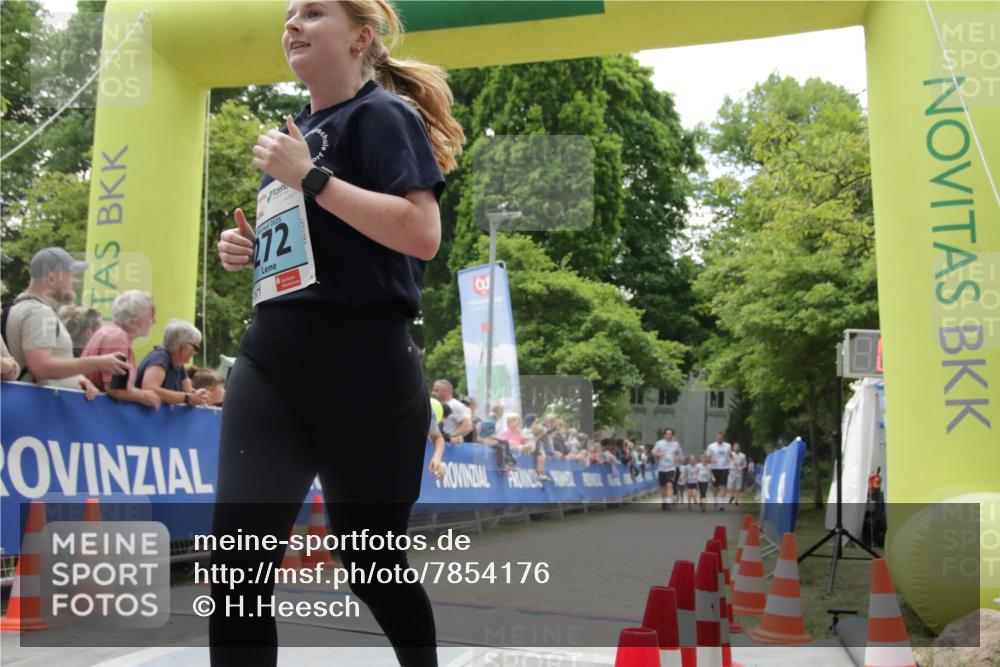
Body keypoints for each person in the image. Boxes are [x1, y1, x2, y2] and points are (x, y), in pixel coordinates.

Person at [211, 1, 463, 664]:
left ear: (360, 37)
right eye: (288, 14)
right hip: (272, 359)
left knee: (370, 561)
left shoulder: (384, 115)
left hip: (364, 365)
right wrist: (251, 251)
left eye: (314, 11)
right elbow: (311, 251)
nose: (292, 24)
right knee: (236, 566)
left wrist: (310, 176)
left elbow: (421, 234)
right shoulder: (292, 133)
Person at [5, 247, 127, 397]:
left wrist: (75, 377)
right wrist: (97, 363)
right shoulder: (38, 312)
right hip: (37, 406)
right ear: (51, 278)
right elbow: (41, 367)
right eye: (71, 275)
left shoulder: (20, 307)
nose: (75, 280)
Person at [81, 290, 161, 409]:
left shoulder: (111, 333)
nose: (154, 321)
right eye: (151, 316)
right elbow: (116, 389)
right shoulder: (117, 338)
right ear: (133, 322)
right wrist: (145, 396)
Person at [135, 319, 210, 407]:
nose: (195, 352)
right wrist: (188, 398)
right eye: (196, 347)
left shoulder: (179, 365)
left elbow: (189, 392)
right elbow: (150, 389)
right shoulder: (160, 356)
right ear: (184, 346)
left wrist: (198, 396)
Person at [652, 428, 684, 511]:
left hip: (671, 468)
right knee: (662, 487)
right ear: (664, 435)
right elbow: (653, 452)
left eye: (670, 434)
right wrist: (659, 454)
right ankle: (664, 501)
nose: (668, 435)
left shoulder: (676, 444)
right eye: (667, 434)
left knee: (669, 484)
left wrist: (678, 458)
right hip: (661, 468)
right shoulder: (659, 443)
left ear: (672, 435)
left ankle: (669, 502)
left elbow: (681, 455)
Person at [432, 379, 472, 444]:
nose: (433, 393)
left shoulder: (455, 405)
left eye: (436, 390)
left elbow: (468, 426)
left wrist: (449, 438)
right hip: (438, 445)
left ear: (445, 391)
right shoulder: (436, 405)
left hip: (449, 446)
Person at [705, 431, 732, 510]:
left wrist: (733, 462)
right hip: (714, 468)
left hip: (724, 468)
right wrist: (711, 461)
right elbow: (707, 458)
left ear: (723, 438)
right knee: (715, 487)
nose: (719, 439)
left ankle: (721, 504)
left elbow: (730, 455)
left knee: (723, 486)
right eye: (718, 438)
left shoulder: (728, 446)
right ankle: (715, 499)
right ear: (716, 438)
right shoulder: (711, 446)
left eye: (721, 438)